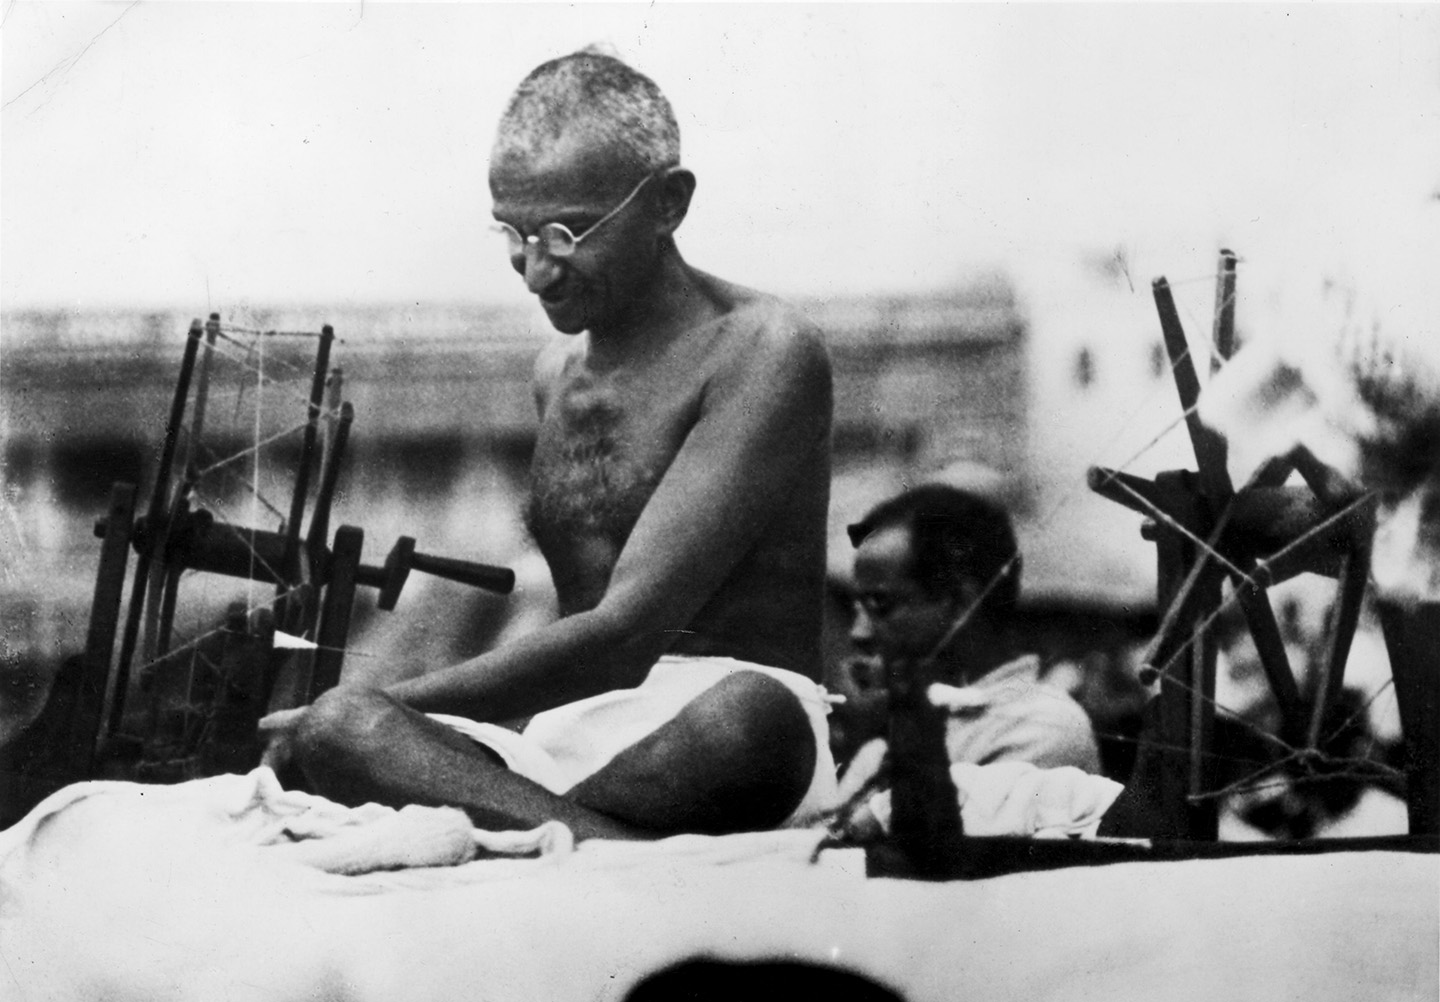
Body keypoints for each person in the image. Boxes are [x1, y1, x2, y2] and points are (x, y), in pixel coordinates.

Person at [260, 49, 837, 840]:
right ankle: (591, 838)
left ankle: (535, 830)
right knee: (334, 734)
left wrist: (398, 703)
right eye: (515, 233)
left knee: (749, 718)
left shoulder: (763, 350)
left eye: (567, 233)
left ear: (668, 203)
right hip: (567, 743)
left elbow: (626, 633)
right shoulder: (554, 375)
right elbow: (580, 644)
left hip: (716, 734)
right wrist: (366, 722)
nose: (536, 272)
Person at [835, 484, 1101, 801]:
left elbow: (941, 846)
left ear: (962, 603)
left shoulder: (1039, 728)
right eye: (856, 609)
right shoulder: (887, 737)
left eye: (881, 605)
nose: (859, 633)